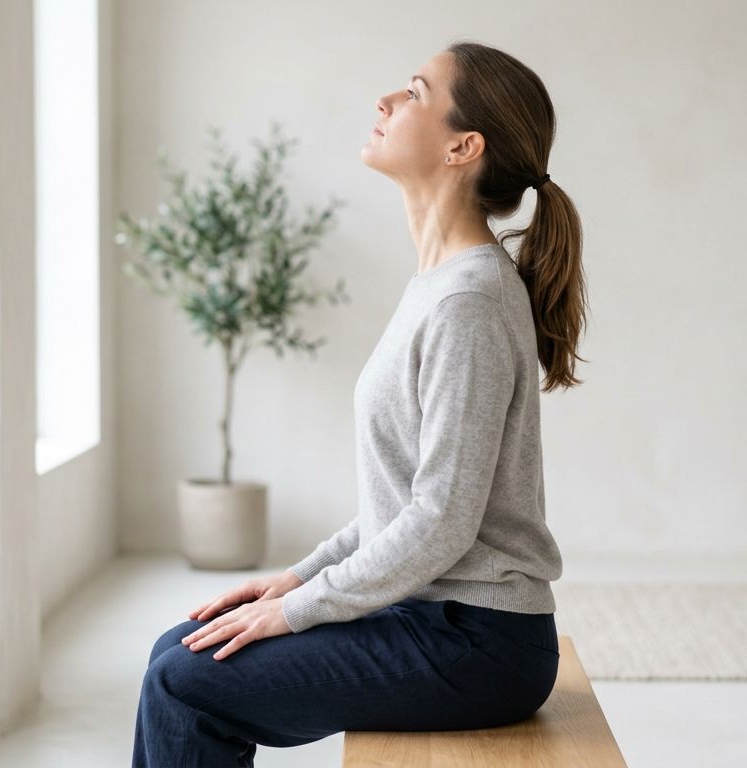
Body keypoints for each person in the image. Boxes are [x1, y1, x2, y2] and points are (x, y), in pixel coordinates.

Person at [133, 39, 589, 767]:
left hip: (476, 644)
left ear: (462, 146)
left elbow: (441, 521)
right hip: (435, 619)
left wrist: (295, 611)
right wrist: (296, 578)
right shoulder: (440, 286)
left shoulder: (468, 299)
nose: (385, 101)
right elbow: (402, 504)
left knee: (186, 683)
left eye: (413, 91)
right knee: (178, 652)